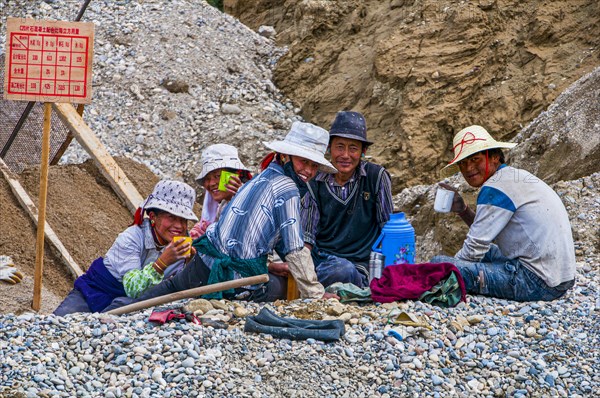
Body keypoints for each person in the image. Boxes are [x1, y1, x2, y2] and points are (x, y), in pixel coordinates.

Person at [127, 121, 339, 304]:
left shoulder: (264, 177)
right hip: (231, 274)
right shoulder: (288, 188)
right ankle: (118, 311)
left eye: (314, 165)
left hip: (206, 260)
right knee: (275, 288)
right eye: (304, 162)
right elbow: (294, 247)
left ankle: (116, 312)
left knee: (166, 292)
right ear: (285, 156)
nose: (309, 171)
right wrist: (315, 293)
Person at [430, 125, 576, 301]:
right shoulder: (511, 177)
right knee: (485, 253)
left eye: (475, 159)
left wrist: (451, 270)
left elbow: (474, 248)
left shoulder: (495, 188)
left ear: (494, 157)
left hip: (537, 282)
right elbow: (484, 235)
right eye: (463, 163)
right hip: (561, 278)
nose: (468, 168)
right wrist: (463, 210)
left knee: (438, 264)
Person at [54, 180, 199, 315]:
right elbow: (133, 288)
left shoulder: (182, 247)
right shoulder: (131, 238)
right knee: (60, 322)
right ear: (153, 217)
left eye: (183, 220)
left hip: (132, 302)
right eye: (171, 218)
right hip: (96, 292)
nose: (179, 226)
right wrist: (162, 263)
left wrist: (190, 265)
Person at [302, 111, 393, 288]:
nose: (345, 155)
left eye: (353, 148)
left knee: (345, 271)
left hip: (362, 263)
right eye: (339, 147)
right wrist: (301, 266)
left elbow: (387, 228)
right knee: (336, 269)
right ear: (329, 148)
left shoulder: (376, 177)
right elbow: (308, 234)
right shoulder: (315, 180)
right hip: (323, 259)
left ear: (363, 151)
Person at [189, 144, 252, 239]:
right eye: (207, 178)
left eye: (217, 176)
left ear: (235, 175)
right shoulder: (221, 205)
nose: (211, 183)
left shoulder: (251, 201)